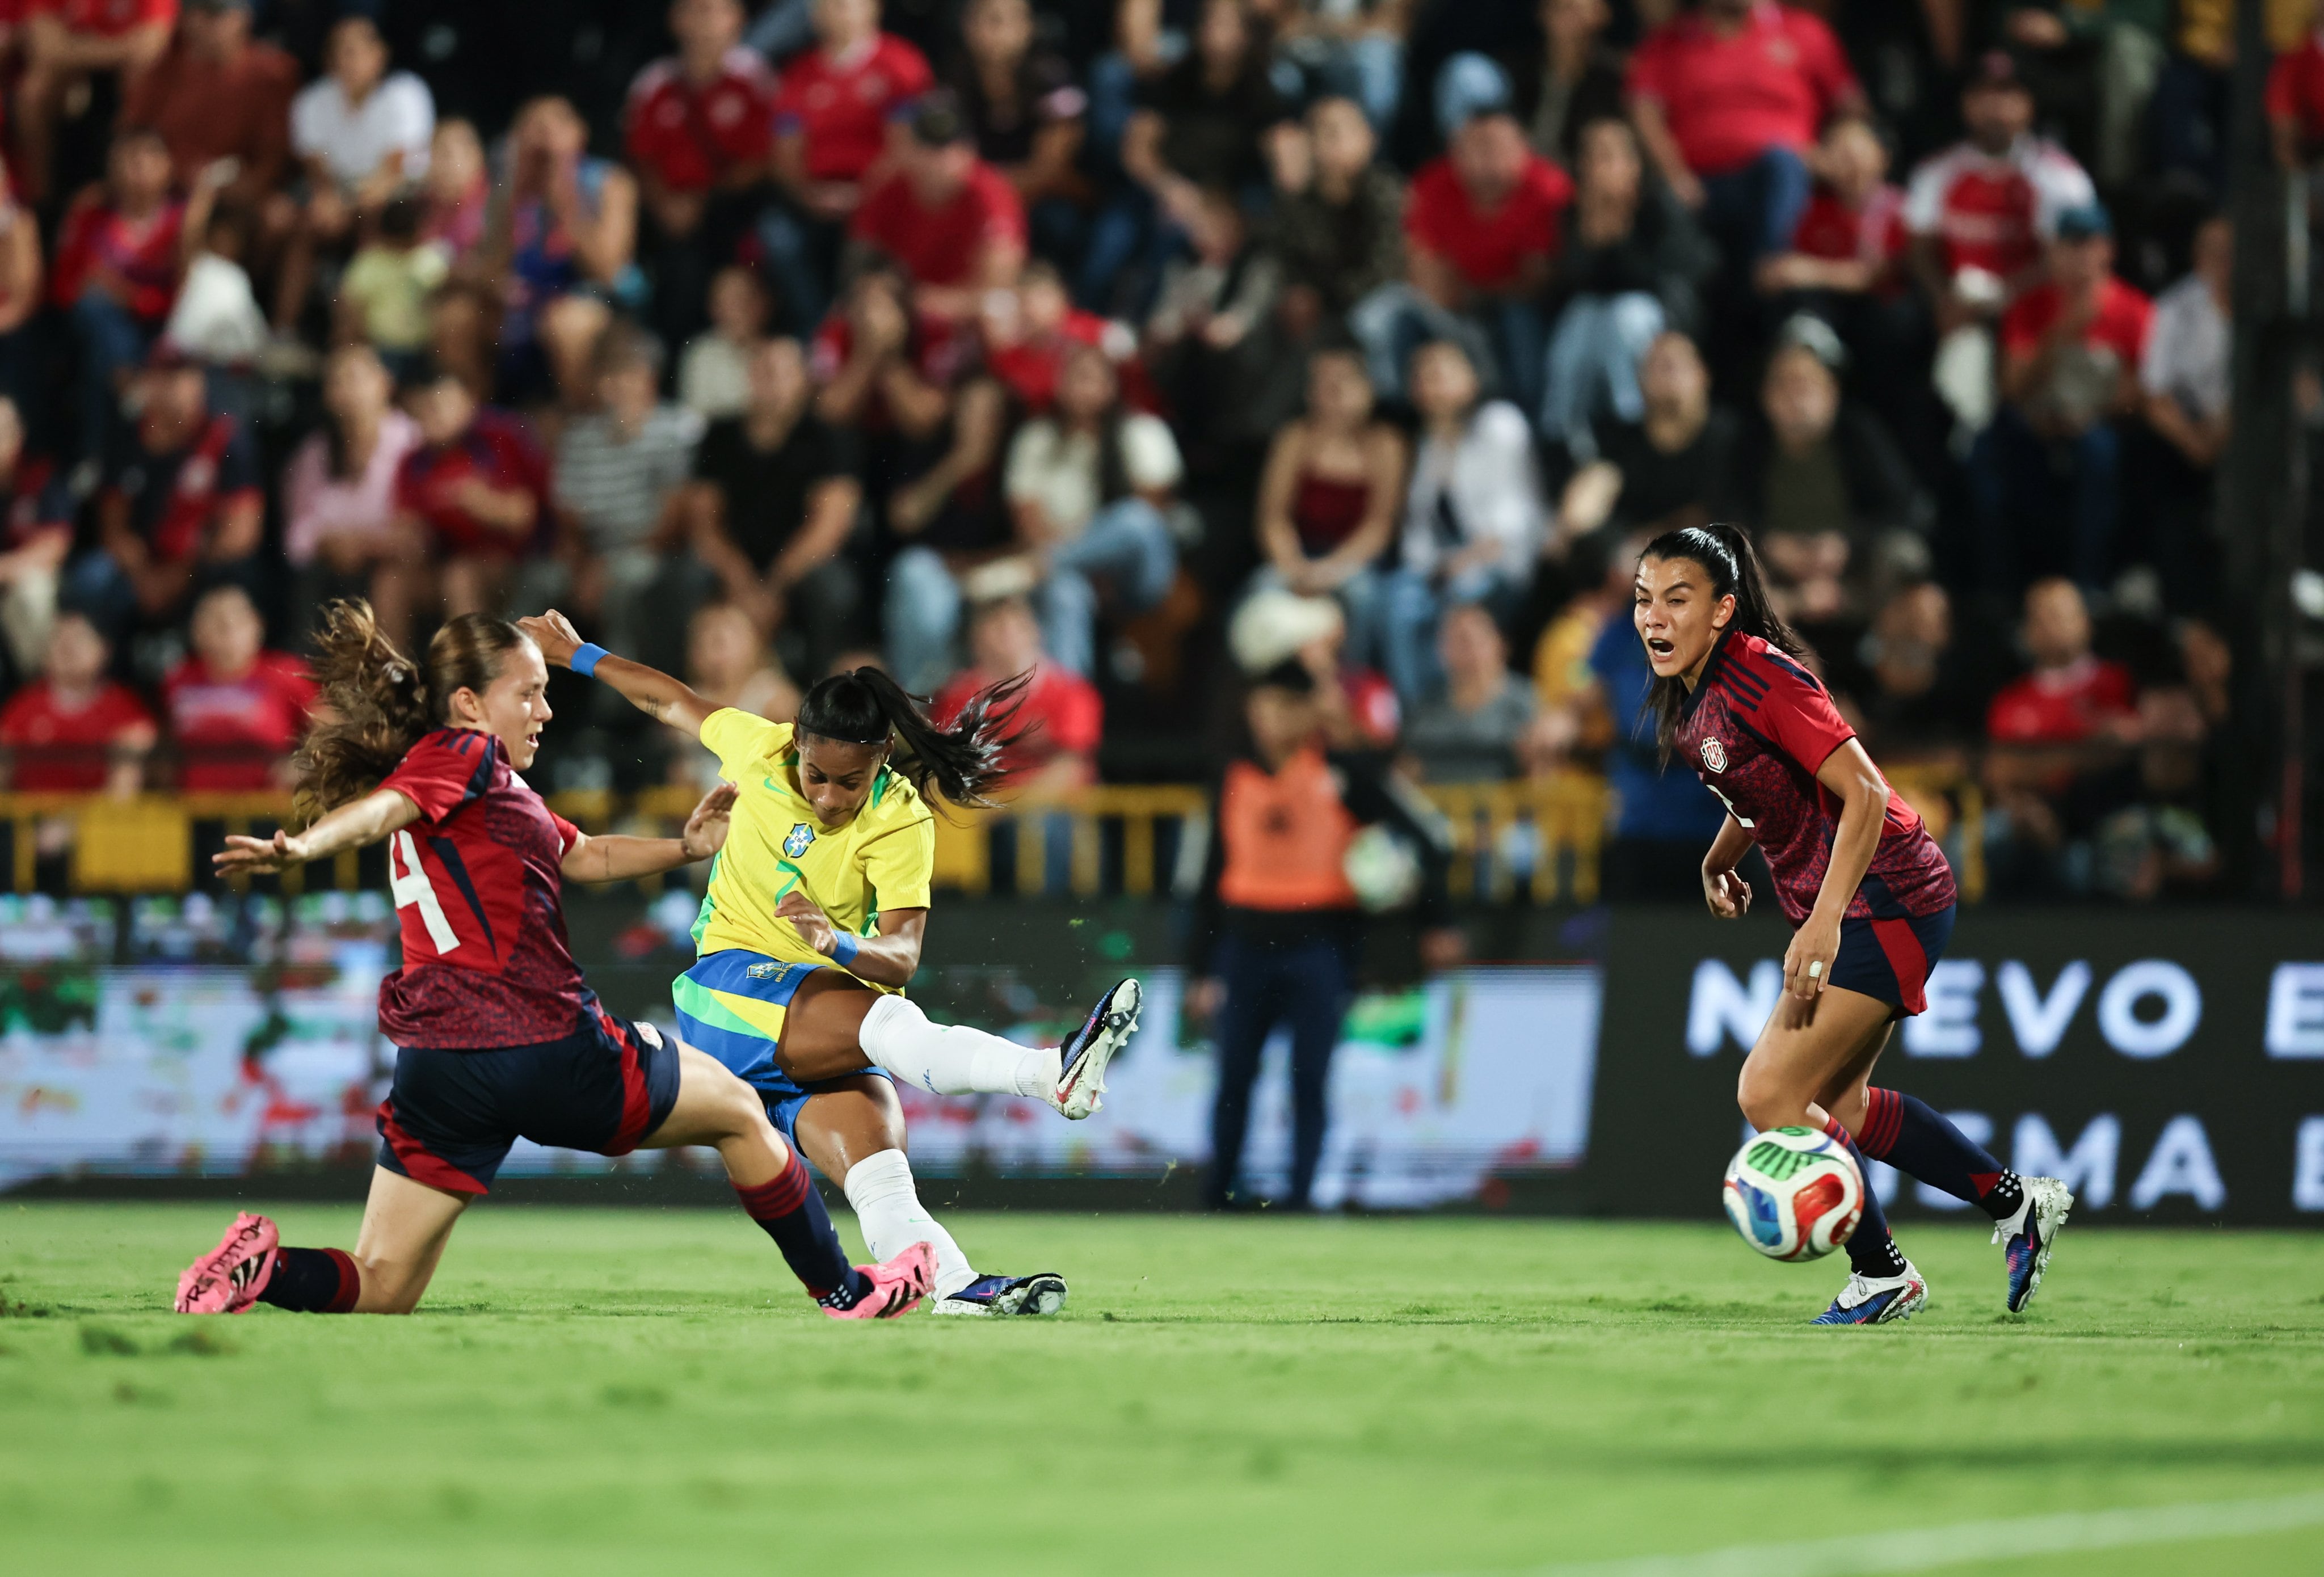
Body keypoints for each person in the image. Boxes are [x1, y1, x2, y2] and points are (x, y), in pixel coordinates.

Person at [174, 602, 936, 1319]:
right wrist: (305, 845)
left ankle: (263, 1270)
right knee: (740, 1111)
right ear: (471, 704)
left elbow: (586, 854)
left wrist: (686, 848)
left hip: (439, 1066)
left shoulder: (492, 790)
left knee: (383, 1284)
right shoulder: (460, 756)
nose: (545, 710)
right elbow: (391, 805)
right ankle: (847, 1292)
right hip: (538, 1041)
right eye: (531, 693)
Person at [517, 610, 1145, 1316]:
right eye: (816, 775)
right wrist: (575, 653)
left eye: (850, 782)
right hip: (728, 991)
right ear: (798, 747)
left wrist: (836, 942)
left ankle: (954, 1286)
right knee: (886, 1023)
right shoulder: (759, 747)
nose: (828, 797)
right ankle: (1047, 1073)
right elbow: (667, 697)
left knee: (880, 1171)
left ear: (881, 760)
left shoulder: (901, 816)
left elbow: (901, 956)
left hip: (814, 1013)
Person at [1634, 522, 2070, 1322]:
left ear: (1725, 610)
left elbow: (1864, 792)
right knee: (1847, 1107)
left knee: (1768, 1092)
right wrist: (1718, 858)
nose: (1655, 617)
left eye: (1677, 599)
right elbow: (1761, 795)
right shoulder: (1693, 702)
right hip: (1850, 900)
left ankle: (1881, 1273)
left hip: (1887, 895)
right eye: (1644, 600)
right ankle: (2015, 1204)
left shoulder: (1762, 676)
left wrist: (1824, 921)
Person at [1188, 657, 1456, 1211]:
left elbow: (1428, 841)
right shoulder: (1232, 777)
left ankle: (1300, 1195)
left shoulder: (1347, 773)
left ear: (1310, 710)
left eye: (1284, 705)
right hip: (1245, 945)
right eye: (1261, 705)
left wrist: (1433, 921)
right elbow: (1210, 880)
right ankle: (1217, 1193)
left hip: (1320, 944)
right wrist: (1200, 967)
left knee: (1308, 1075)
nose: (1269, 718)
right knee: (1234, 1074)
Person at [1973, 203, 2150, 597]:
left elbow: (2140, 395)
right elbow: (2014, 387)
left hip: (2098, 425)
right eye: (2070, 245)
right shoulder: (2031, 305)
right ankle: (2001, 589)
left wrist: (2093, 416)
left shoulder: (2135, 311)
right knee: (1989, 451)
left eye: (2089, 244)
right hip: (2037, 422)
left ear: (2108, 249)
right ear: (2054, 252)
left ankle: (2089, 585)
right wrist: (2061, 333)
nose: (2080, 256)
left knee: (2097, 452)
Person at [1626, 0, 1864, 281]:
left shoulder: (1803, 31)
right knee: (1664, 207)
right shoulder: (1668, 43)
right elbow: (1644, 112)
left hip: (1785, 178)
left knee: (1783, 165)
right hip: (1701, 185)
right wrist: (1675, 176)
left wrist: (1837, 151)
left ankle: (1776, 284)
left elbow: (1852, 109)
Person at [992, 341, 1181, 684]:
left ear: (1111, 386)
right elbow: (1027, 519)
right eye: (1076, 378)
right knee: (1066, 592)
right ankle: (1068, 713)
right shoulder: (1036, 439)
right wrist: (1077, 557)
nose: (1084, 388)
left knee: (1134, 518)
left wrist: (1075, 551)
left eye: (1094, 379)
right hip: (1067, 569)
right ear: (1060, 384)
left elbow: (1150, 515)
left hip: (1135, 574)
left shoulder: (1142, 431)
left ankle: (1045, 566)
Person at [685, 335, 862, 678]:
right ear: (749, 376)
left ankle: (823, 698)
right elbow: (705, 524)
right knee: (684, 578)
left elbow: (828, 530)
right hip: (734, 569)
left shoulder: (829, 437)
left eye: (784, 372)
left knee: (831, 584)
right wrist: (743, 585)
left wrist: (773, 588)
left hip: (797, 569)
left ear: (803, 379)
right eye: (764, 371)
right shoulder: (719, 436)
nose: (773, 382)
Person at [1384, 338, 1539, 703]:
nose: (1429, 383)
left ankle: (1459, 705)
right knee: (1393, 602)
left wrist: (1459, 564)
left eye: (1440, 372)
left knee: (1457, 605)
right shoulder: (1428, 443)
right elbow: (1419, 528)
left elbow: (1514, 520)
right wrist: (1428, 567)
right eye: (1421, 375)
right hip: (1445, 568)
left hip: (1500, 566)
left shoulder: (1499, 424)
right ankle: (1417, 708)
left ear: (1472, 378)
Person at [765, 0, 934, 328]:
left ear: (873, 8)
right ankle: (818, 336)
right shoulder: (799, 73)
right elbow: (785, 153)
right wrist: (809, 194)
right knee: (777, 236)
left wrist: (863, 196)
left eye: (846, 4)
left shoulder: (902, 64)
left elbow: (905, 148)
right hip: (815, 197)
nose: (837, 10)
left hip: (884, 196)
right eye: (827, 5)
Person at [78, 344, 262, 639]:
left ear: (201, 383)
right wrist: (143, 575)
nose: (175, 388)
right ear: (147, 383)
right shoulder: (127, 440)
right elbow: (113, 527)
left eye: (185, 376)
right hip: (140, 569)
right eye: (163, 377)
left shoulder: (224, 438)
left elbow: (241, 533)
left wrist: (181, 574)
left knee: (233, 583)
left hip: (200, 567)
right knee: (92, 579)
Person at [625, 0, 777, 349]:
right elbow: (640, 160)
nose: (705, 22)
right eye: (695, 10)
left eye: (715, 10)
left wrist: (705, 201)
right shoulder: (653, 83)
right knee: (674, 276)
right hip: (669, 215)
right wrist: (667, 205)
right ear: (676, 20)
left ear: (736, 20)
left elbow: (766, 157)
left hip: (734, 211)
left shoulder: (755, 78)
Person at [1252, 344, 1407, 678]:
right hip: (1301, 551)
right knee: (1260, 590)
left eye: (1343, 383)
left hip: (1356, 559)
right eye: (1322, 385)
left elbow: (1380, 526)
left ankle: (1351, 688)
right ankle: (1265, 693)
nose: (1332, 394)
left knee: (1362, 598)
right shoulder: (1295, 438)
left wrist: (1329, 572)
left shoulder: (1386, 445)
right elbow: (1273, 517)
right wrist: (1291, 565)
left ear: (1367, 389)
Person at [277, 15, 435, 335]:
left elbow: (394, 172)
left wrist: (346, 203)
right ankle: (284, 331)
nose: (349, 61)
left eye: (357, 51)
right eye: (340, 52)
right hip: (338, 198)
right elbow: (318, 175)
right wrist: (329, 204)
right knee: (304, 224)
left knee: (377, 214)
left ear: (379, 56)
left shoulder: (406, 94)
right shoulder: (313, 102)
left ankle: (366, 339)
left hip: (396, 199)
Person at [283, 345, 425, 648]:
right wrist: (329, 543)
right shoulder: (314, 453)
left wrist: (365, 544)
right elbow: (297, 535)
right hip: (334, 567)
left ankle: (392, 684)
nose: (349, 390)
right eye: (337, 381)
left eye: (357, 378)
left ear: (385, 383)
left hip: (397, 563)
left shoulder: (413, 443)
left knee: (390, 581)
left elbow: (419, 527)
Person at [847, 92, 1028, 324]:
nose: (939, 160)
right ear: (909, 150)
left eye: (949, 148)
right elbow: (860, 264)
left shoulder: (990, 192)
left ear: (969, 151)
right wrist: (892, 296)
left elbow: (1001, 278)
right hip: (905, 305)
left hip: (967, 307)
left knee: (1000, 312)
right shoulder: (888, 188)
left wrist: (946, 303)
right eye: (929, 148)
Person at [394, 365, 553, 622]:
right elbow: (407, 528)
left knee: (460, 576)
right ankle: (391, 664)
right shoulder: (413, 461)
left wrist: (479, 504)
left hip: (513, 562)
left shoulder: (499, 439)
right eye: (427, 408)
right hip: (442, 564)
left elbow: (524, 518)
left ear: (469, 403)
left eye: (443, 405)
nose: (435, 416)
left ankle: (469, 662)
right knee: (392, 582)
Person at [120, 0, 295, 213]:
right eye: (194, 11)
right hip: (164, 199)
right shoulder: (163, 67)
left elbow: (274, 158)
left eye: (215, 13)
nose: (201, 22)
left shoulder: (272, 73)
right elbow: (130, 134)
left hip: (236, 204)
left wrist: (249, 187)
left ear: (243, 17)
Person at [16, 0, 176, 204]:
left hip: (116, 73)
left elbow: (148, 48)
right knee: (34, 90)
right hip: (74, 71)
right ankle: (42, 200)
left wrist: (72, 47)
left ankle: (121, 197)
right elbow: (45, 46)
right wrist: (119, 49)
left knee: (137, 77)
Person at [162, 583, 316, 791]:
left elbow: (331, 723)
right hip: (195, 808)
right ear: (196, 630)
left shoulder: (286, 673)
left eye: (235, 620)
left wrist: (305, 764)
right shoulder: (178, 679)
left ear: (256, 625)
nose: (226, 629)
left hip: (266, 808)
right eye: (214, 620)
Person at [0, 610, 154, 794]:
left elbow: (129, 775)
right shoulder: (24, 706)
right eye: (59, 639)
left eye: (79, 639)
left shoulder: (123, 707)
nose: (68, 647)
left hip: (98, 816)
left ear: (104, 649)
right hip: (33, 816)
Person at [1400, 602, 1539, 784]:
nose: (1469, 652)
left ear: (1500, 644)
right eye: (1457, 642)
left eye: (1475, 641)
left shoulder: (1527, 702)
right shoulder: (1426, 706)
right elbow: (1408, 768)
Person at [666, 600, 800, 787]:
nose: (714, 654)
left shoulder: (771, 694)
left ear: (754, 643)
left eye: (721, 642)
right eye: (703, 643)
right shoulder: (689, 697)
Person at [0, 396, 73, 677]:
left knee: (31, 592)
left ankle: (42, 691)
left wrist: (5, 569)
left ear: (18, 436)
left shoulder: (40, 476)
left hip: (22, 579)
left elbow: (53, 546)